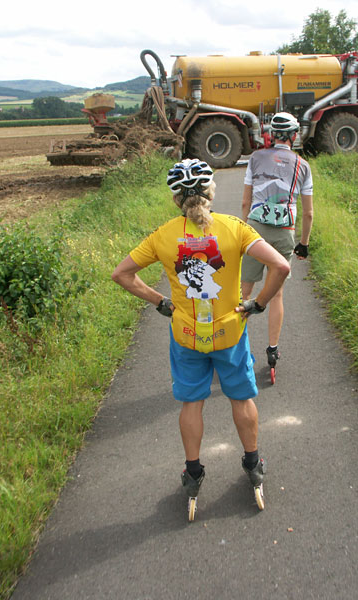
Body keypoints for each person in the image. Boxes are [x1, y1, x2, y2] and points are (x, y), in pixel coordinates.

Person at [111, 158, 290, 517]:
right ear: (210, 192)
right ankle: (253, 465)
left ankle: (193, 474)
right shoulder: (235, 227)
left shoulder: (162, 235)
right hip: (229, 332)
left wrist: (160, 302)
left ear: (176, 199)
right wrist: (258, 304)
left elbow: (122, 275)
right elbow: (281, 266)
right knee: (240, 398)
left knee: (192, 403)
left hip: (186, 335)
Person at [240, 112, 314, 371]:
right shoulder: (303, 165)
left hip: (255, 231)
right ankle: (272, 349)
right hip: (284, 231)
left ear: (270, 135)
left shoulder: (255, 159)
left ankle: (237, 349)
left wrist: (244, 230)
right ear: (294, 136)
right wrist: (303, 243)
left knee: (245, 291)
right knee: (277, 293)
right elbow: (308, 212)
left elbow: (245, 203)